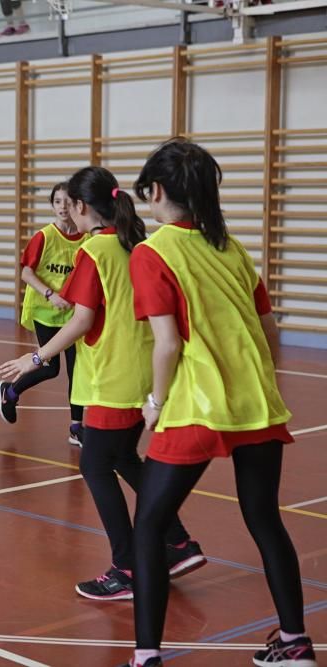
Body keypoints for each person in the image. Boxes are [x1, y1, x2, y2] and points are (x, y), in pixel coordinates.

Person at [127, 139, 316, 667]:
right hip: (256, 402)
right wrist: (258, 380)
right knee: (265, 518)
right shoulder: (231, 247)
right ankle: (296, 643)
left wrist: (154, 402)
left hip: (195, 405)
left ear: (157, 191)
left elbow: (167, 343)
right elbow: (268, 328)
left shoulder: (152, 251)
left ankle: (146, 656)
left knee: (149, 525)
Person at [0, 166, 204, 602]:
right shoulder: (139, 244)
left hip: (113, 376)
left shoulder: (95, 251)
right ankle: (179, 543)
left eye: (69, 204)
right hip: (143, 371)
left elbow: (82, 319)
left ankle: (127, 567)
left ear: (80, 206)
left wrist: (36, 357)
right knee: (124, 457)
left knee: (95, 466)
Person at [0, 181, 87, 446]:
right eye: (58, 202)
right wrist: (50, 295)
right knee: (50, 367)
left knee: (77, 371)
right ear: (52, 205)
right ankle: (10, 392)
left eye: (68, 202)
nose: (62, 207)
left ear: (77, 206)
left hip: (71, 314)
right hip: (45, 311)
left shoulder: (86, 238)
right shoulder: (44, 236)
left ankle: (76, 427)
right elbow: (26, 272)